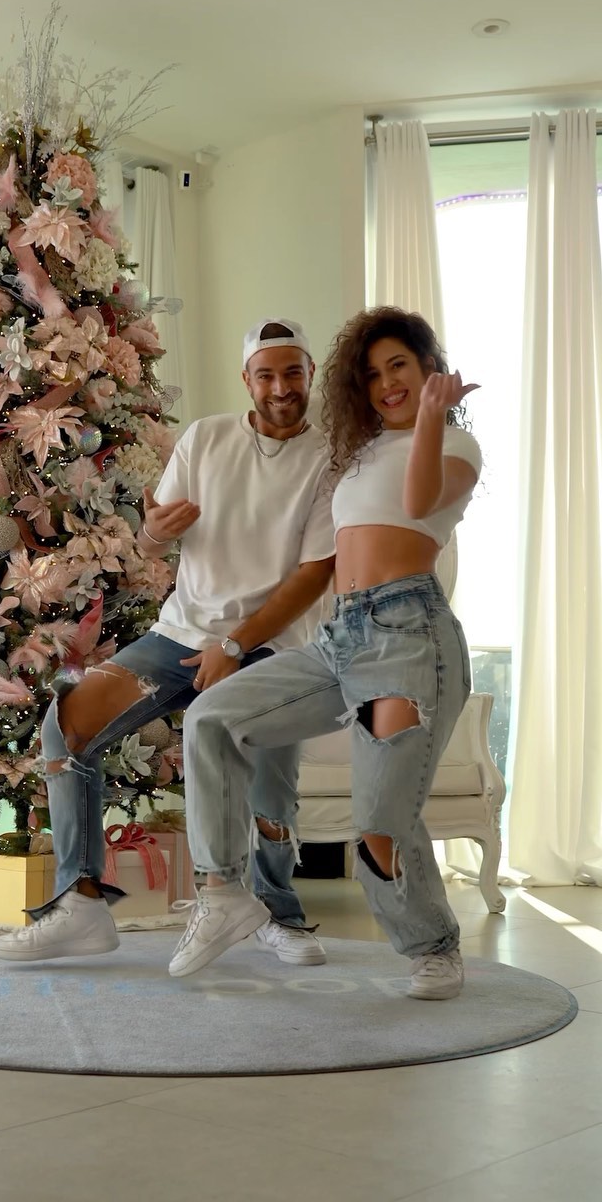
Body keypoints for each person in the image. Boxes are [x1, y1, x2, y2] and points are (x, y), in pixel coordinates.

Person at [0, 318, 335, 964]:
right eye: (266, 375)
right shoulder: (206, 439)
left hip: (271, 645)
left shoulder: (328, 459)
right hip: (179, 633)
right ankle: (80, 904)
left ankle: (276, 913)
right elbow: (153, 542)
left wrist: (234, 647)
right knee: (68, 725)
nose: (281, 387)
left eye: (293, 372)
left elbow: (315, 574)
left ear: (311, 373)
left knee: (269, 784)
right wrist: (153, 531)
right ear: (246, 380)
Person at [169, 306, 481, 1000]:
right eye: (371, 374)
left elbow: (419, 500)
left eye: (399, 366)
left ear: (429, 368)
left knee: (379, 823)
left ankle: (433, 947)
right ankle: (223, 893)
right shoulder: (358, 452)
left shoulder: (456, 445)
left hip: (408, 641)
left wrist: (434, 415)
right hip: (340, 637)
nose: (386, 383)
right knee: (211, 718)